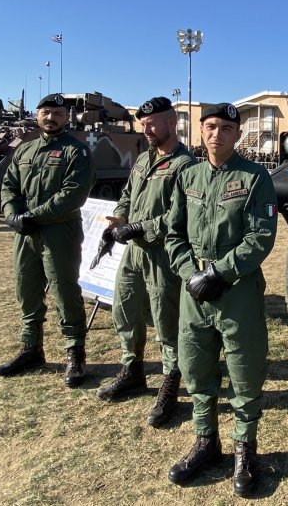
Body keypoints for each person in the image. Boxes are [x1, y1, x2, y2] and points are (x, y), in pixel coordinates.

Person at [164, 103, 277, 497]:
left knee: (244, 367)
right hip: (193, 286)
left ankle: (245, 448)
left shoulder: (255, 177)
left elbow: (261, 237)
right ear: (200, 131)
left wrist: (218, 273)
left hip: (237, 288)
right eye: (211, 127)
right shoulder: (187, 175)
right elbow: (172, 232)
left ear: (237, 134)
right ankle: (205, 441)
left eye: (227, 128)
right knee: (195, 364)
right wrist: (190, 273)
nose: (217, 134)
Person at [95, 96, 196, 427]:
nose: (147, 128)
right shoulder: (142, 159)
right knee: (125, 310)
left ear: (172, 122)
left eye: (153, 123)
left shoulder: (187, 165)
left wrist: (142, 227)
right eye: (143, 124)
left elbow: (182, 217)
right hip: (132, 252)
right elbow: (126, 195)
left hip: (163, 255)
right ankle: (132, 369)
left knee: (167, 321)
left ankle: (170, 379)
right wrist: (118, 221)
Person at [0, 93, 96, 387]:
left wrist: (33, 216)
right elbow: (9, 185)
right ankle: (31, 349)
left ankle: (75, 354)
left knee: (65, 291)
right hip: (25, 232)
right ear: (37, 115)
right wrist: (12, 214)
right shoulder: (25, 151)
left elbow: (73, 194)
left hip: (58, 232)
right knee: (26, 288)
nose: (51, 118)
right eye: (45, 112)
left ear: (67, 118)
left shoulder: (76, 152)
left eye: (58, 113)